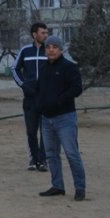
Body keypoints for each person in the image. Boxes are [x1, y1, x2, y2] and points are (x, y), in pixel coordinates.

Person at [35, 35, 87, 201]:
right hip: (46, 119)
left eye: (54, 47)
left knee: (71, 153)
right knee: (51, 154)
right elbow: (40, 90)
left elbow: (77, 88)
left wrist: (60, 100)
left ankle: (80, 188)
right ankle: (57, 185)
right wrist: (39, 105)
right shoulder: (43, 68)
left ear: (61, 49)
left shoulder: (69, 67)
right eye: (48, 47)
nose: (51, 50)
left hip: (65, 118)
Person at [11, 22, 49, 172]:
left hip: (46, 98)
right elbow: (14, 68)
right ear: (34, 34)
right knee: (31, 131)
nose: (46, 35)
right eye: (43, 33)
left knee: (45, 131)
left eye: (46, 33)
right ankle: (33, 158)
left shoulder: (50, 50)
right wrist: (24, 85)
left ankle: (43, 160)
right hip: (30, 99)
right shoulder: (25, 51)